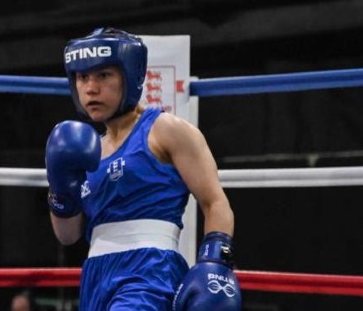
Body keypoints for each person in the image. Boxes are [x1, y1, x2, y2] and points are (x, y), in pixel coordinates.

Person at [44, 28, 241, 310]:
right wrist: (60, 187)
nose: (91, 88)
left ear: (131, 75)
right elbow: (68, 235)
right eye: (82, 77)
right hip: (96, 274)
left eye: (103, 75)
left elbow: (216, 202)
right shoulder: (85, 151)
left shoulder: (165, 130)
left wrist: (215, 262)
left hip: (150, 269)